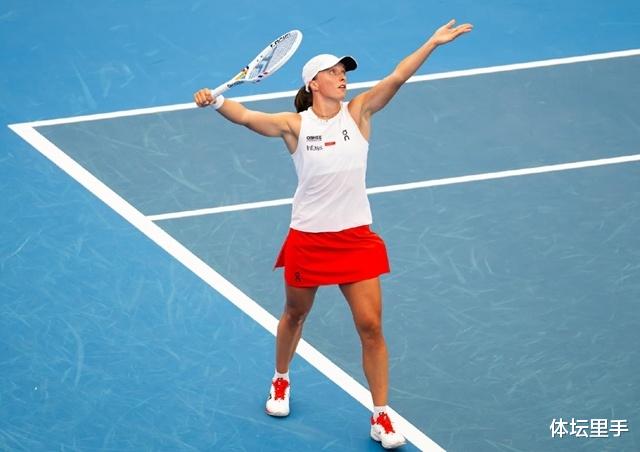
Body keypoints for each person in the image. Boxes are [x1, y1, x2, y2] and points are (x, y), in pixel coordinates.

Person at [194, 19, 472, 449]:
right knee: (295, 314)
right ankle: (281, 378)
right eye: (334, 72)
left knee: (371, 327)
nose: (343, 77)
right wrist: (216, 102)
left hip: (355, 239)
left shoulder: (359, 113)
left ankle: (381, 415)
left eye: (345, 72)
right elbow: (248, 118)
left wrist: (431, 43)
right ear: (313, 83)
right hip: (309, 239)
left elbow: (397, 76)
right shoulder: (294, 125)